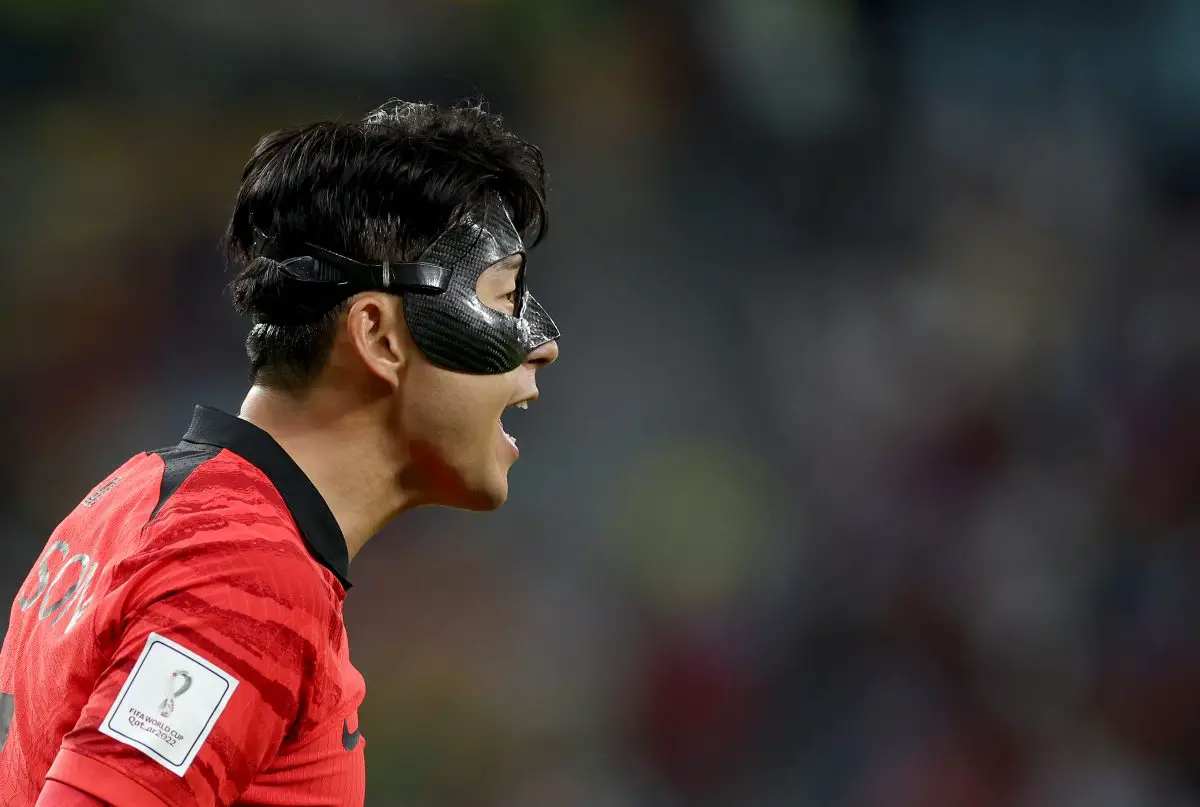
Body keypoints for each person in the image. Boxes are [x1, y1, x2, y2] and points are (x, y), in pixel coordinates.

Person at [0, 100, 561, 807]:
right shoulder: (248, 573)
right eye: (505, 298)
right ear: (380, 336)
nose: (541, 344)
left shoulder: (137, 494)